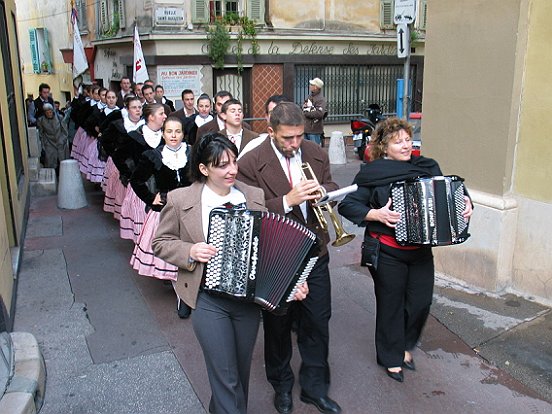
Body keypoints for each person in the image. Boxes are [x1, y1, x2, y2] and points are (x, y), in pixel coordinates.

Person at [153, 132, 308, 414]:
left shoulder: (252, 195)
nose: (232, 170)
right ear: (203, 169)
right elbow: (160, 243)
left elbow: (268, 248)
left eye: (234, 161)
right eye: (222, 165)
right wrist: (190, 251)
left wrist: (291, 283)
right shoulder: (180, 199)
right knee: (225, 377)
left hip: (247, 302)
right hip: (207, 300)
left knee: (239, 374)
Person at [338, 117, 474, 383]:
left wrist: (467, 202)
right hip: (388, 250)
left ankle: (405, 344)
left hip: (421, 250)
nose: (404, 145)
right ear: (383, 147)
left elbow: (451, 190)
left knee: (421, 303)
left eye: (407, 140)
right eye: (397, 141)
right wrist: (375, 214)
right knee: (391, 306)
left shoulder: (426, 166)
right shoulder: (372, 173)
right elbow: (348, 206)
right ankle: (391, 356)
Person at [237, 102, 341, 414]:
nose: (295, 144)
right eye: (287, 138)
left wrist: (324, 191)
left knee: (317, 322)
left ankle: (314, 388)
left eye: (299, 136)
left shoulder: (316, 153)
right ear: (271, 132)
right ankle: (281, 385)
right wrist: (287, 200)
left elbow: (333, 184)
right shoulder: (251, 162)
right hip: (277, 254)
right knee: (278, 325)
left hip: (314, 250)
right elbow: (247, 211)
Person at [129, 116, 193, 318]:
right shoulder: (153, 156)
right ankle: (182, 294)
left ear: (183, 134)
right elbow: (136, 180)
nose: (173, 136)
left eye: (177, 132)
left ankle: (189, 291)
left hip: (191, 211)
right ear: (163, 134)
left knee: (192, 254)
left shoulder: (192, 153)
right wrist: (150, 198)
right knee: (175, 255)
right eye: (169, 131)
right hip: (165, 213)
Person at [114, 103, 166, 241]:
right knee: (142, 225)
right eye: (161, 113)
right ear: (151, 117)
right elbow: (118, 156)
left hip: (162, 187)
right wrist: (129, 174)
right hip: (141, 187)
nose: (165, 116)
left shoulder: (167, 136)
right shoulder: (134, 136)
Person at [238, 94, 289, 160]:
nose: (277, 116)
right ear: (266, 116)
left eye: (281, 112)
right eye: (272, 112)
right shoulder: (254, 145)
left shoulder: (304, 148)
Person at [36, 103, 68, 170]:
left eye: (50, 112)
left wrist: (62, 140)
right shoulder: (41, 120)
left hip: (60, 143)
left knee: (63, 164)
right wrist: (44, 144)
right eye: (47, 113)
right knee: (51, 164)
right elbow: (41, 134)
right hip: (49, 143)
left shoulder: (59, 118)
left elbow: (64, 131)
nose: (49, 114)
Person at [302, 77, 327, 146]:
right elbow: (304, 106)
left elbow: (319, 113)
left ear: (315, 87)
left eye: (311, 85)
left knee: (314, 151)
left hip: (314, 131)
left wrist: (307, 113)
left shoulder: (320, 99)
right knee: (306, 152)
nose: (310, 86)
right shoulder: (310, 96)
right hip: (306, 129)